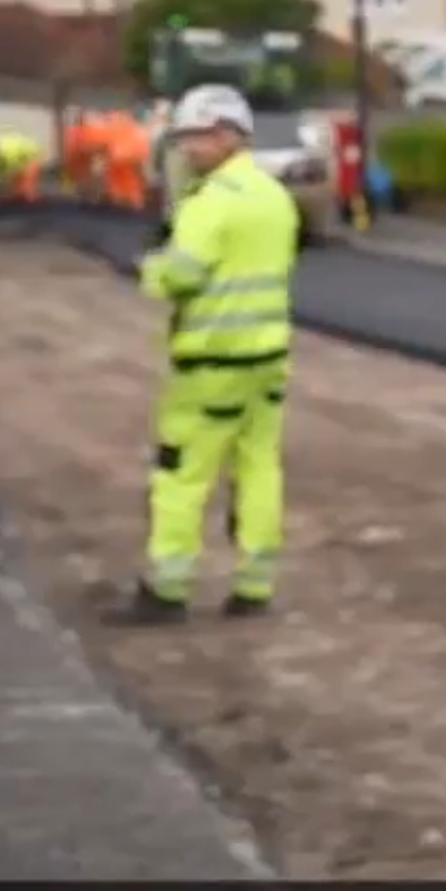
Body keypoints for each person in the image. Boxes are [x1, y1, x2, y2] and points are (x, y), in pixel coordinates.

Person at [106, 84, 300, 626]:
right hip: (269, 360)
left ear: (224, 134)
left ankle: (167, 590)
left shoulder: (210, 203)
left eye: (194, 138)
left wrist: (150, 266)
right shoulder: (273, 195)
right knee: (259, 468)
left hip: (213, 363)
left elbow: (180, 276)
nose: (187, 150)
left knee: (181, 473)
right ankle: (254, 584)